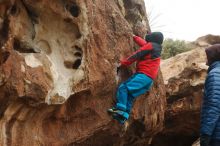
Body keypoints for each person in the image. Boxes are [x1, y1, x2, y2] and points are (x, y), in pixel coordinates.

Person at [108, 32, 164, 124]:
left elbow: (137, 54)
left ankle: (119, 110)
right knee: (130, 95)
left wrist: (123, 63)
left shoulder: (150, 45)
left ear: (153, 38)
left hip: (143, 76)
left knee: (123, 88)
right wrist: (135, 37)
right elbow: (144, 44)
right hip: (148, 80)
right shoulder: (156, 48)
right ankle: (124, 116)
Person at [200, 44, 220, 146]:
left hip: (216, 135)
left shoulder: (215, 74)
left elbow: (214, 106)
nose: (205, 59)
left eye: (207, 55)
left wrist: (205, 134)